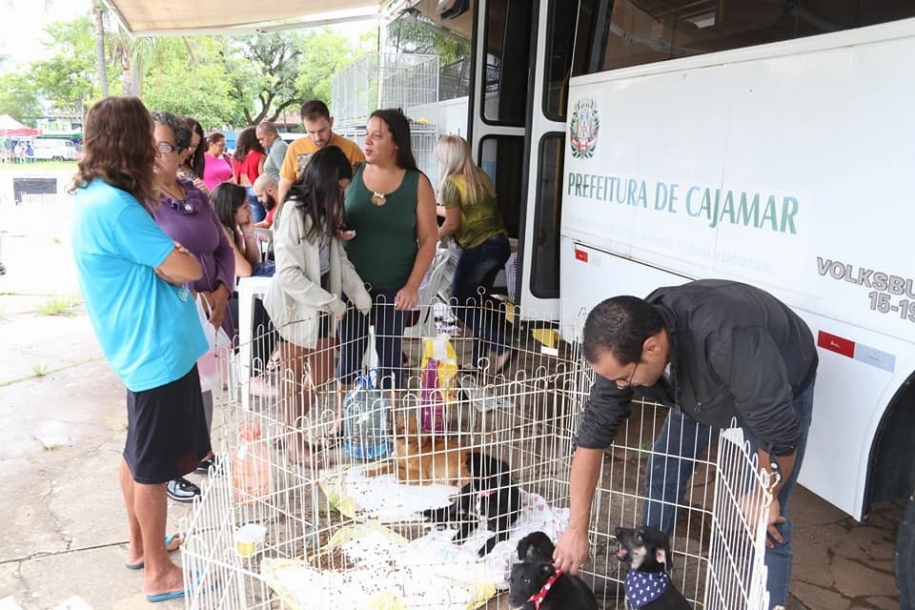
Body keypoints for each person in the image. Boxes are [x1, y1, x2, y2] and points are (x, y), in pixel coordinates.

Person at [553, 279, 818, 610]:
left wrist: (768, 493)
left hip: (775, 382)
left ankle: (770, 603)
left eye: (624, 377)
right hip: (699, 388)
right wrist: (576, 529)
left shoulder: (727, 337)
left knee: (765, 520)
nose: (621, 386)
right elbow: (592, 435)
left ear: (651, 348)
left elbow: (778, 430)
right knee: (665, 464)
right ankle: (647, 573)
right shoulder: (624, 350)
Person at [70, 96, 209, 602]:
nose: (155, 148)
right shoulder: (117, 205)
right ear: (128, 141)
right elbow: (187, 269)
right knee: (153, 468)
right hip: (155, 350)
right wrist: (178, 257)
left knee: (136, 454)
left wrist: (170, 258)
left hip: (137, 346)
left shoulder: (94, 195)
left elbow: (166, 261)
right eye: (146, 137)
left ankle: (140, 546)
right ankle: (158, 570)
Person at [263, 145, 372, 462]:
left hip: (322, 301)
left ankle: (288, 430)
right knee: (292, 378)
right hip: (295, 305)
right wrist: (332, 303)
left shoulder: (325, 210)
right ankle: (296, 443)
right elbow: (288, 275)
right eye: (339, 188)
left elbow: (339, 259)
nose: (341, 196)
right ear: (325, 180)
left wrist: (358, 296)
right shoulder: (293, 211)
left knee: (322, 373)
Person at [150, 110, 236, 503]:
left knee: (202, 385)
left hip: (210, 307)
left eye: (164, 146)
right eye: (149, 145)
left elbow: (221, 247)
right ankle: (170, 468)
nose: (155, 153)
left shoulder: (196, 195)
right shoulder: (142, 202)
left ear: (183, 152)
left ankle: (200, 452)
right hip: (172, 308)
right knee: (170, 389)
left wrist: (222, 289)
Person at [336, 108, 437, 390]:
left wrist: (412, 286)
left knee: (390, 356)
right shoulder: (351, 175)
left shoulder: (418, 183)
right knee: (349, 354)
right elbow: (329, 221)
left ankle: (391, 419)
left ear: (396, 143)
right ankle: (345, 419)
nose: (367, 141)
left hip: (396, 287)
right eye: (367, 135)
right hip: (352, 284)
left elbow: (429, 239)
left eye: (376, 136)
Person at [435, 135, 513, 375]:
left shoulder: (451, 183)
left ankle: (501, 346)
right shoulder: (480, 176)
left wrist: (431, 238)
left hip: (478, 247)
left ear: (447, 159)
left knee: (459, 303)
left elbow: (452, 224)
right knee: (477, 303)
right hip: (499, 244)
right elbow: (466, 211)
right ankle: (480, 361)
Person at [278, 100, 365, 209]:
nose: (317, 137)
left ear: (331, 122)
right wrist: (281, 212)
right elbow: (285, 184)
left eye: (322, 130)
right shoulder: (295, 148)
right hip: (306, 214)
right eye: (311, 132)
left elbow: (363, 186)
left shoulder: (351, 148)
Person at [231, 126, 267, 223]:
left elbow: (235, 179)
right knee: (258, 225)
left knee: (245, 223)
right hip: (255, 190)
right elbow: (263, 179)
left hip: (240, 191)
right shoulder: (260, 156)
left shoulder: (235, 157)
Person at [178, 117, 208, 193]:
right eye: (187, 144)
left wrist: (205, 192)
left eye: (194, 146)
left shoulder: (191, 164)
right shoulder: (166, 166)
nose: (189, 150)